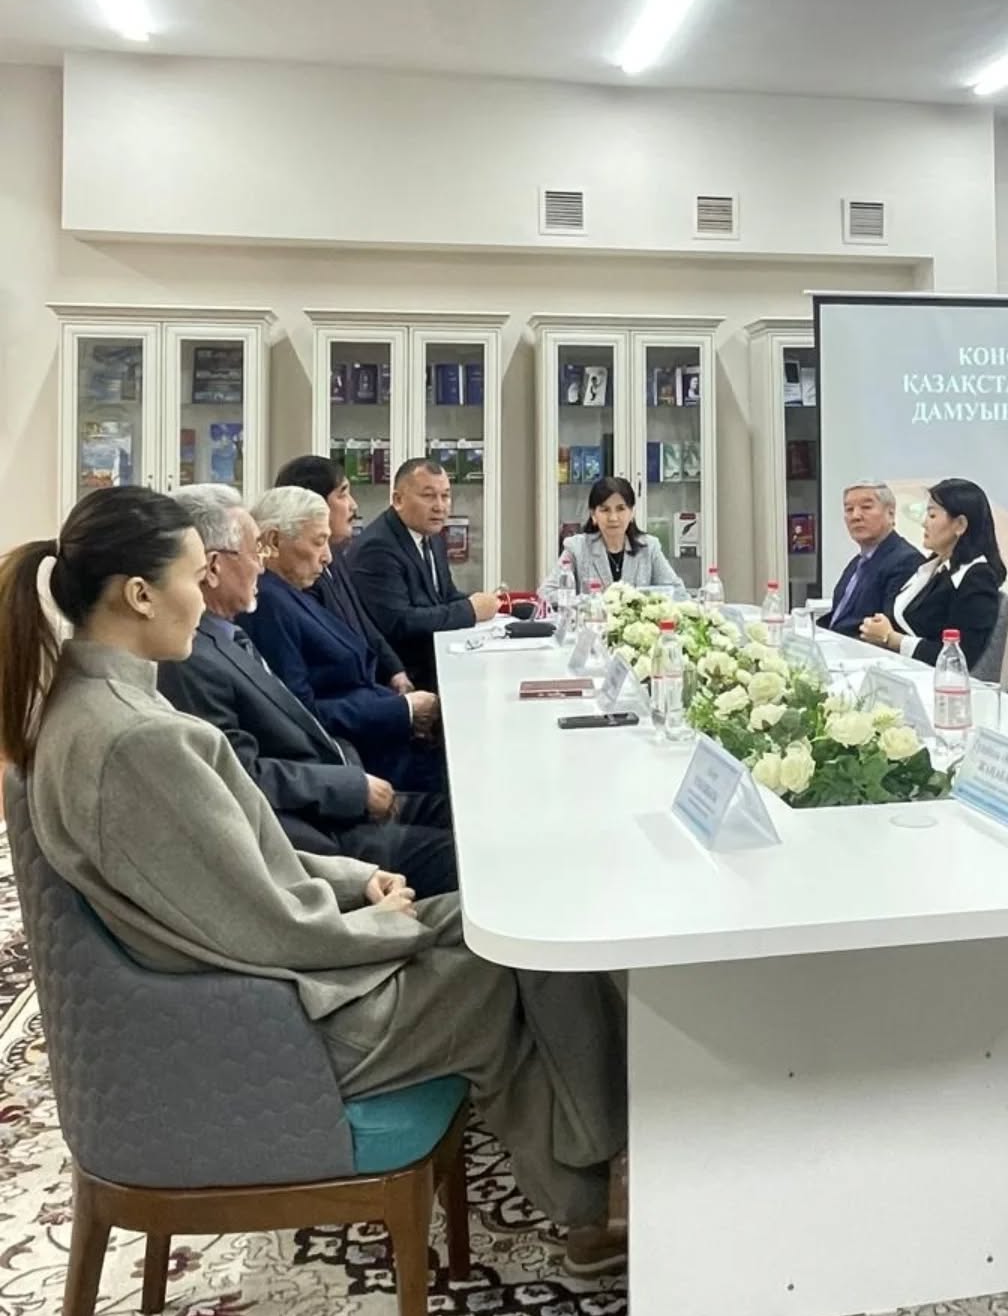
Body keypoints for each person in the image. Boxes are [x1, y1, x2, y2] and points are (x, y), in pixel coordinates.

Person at [0, 487, 626, 1270]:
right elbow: (262, 921)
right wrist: (378, 923)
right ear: (139, 594)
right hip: (281, 1013)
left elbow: (249, 856)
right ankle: (596, 1196)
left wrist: (360, 881)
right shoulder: (136, 740)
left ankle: (594, 1168)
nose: (205, 592)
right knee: (516, 957)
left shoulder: (97, 706)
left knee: (519, 913)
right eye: (194, 576)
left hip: (261, 974)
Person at [159, 485, 456, 897]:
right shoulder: (192, 658)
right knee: (470, 854)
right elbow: (240, 775)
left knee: (470, 814)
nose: (261, 565)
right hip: (323, 835)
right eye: (254, 551)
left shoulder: (228, 635)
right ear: (211, 567)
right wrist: (352, 787)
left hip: (343, 790)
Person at [243, 487, 444, 791]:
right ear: (273, 541)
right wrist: (402, 711)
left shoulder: (291, 592)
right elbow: (300, 714)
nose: (327, 557)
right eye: (318, 542)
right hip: (368, 762)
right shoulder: (269, 604)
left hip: (384, 738)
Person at [348, 459, 499, 691]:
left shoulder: (431, 534)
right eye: (428, 496)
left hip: (437, 659)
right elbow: (400, 622)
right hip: (405, 675)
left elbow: (445, 596)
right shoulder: (377, 547)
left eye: (445, 496)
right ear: (398, 500)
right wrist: (470, 610)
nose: (440, 506)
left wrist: (486, 606)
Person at [273, 454, 412, 693]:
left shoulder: (335, 553)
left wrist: (395, 671)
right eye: (342, 494)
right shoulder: (301, 575)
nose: (353, 505)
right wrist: (399, 707)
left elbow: (362, 623)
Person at [857, 478, 1004, 668]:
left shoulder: (977, 578)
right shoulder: (935, 567)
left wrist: (893, 639)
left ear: (960, 525)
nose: (924, 523)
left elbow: (959, 657)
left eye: (932, 515)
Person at [538, 476, 683, 600]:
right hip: (592, 622)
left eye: (620, 509)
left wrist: (643, 603)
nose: (613, 518)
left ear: (631, 513)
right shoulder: (576, 548)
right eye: (605, 510)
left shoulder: (649, 547)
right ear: (593, 515)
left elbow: (679, 593)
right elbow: (546, 593)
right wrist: (589, 602)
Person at [818, 482, 923, 638]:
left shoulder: (906, 560)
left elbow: (888, 630)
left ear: (891, 514)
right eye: (849, 509)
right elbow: (839, 618)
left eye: (866, 507)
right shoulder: (857, 563)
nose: (856, 516)